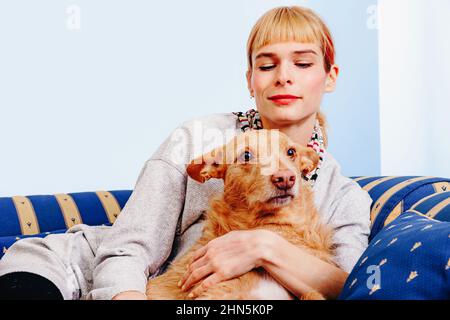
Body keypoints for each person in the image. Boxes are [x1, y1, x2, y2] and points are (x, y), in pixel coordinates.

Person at [0, 6, 371, 300]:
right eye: (267, 64)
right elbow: (129, 247)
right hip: (91, 272)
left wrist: (263, 246)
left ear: (331, 76)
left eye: (303, 63)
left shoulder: (341, 195)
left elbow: (348, 286)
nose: (283, 77)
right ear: (250, 81)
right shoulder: (198, 138)